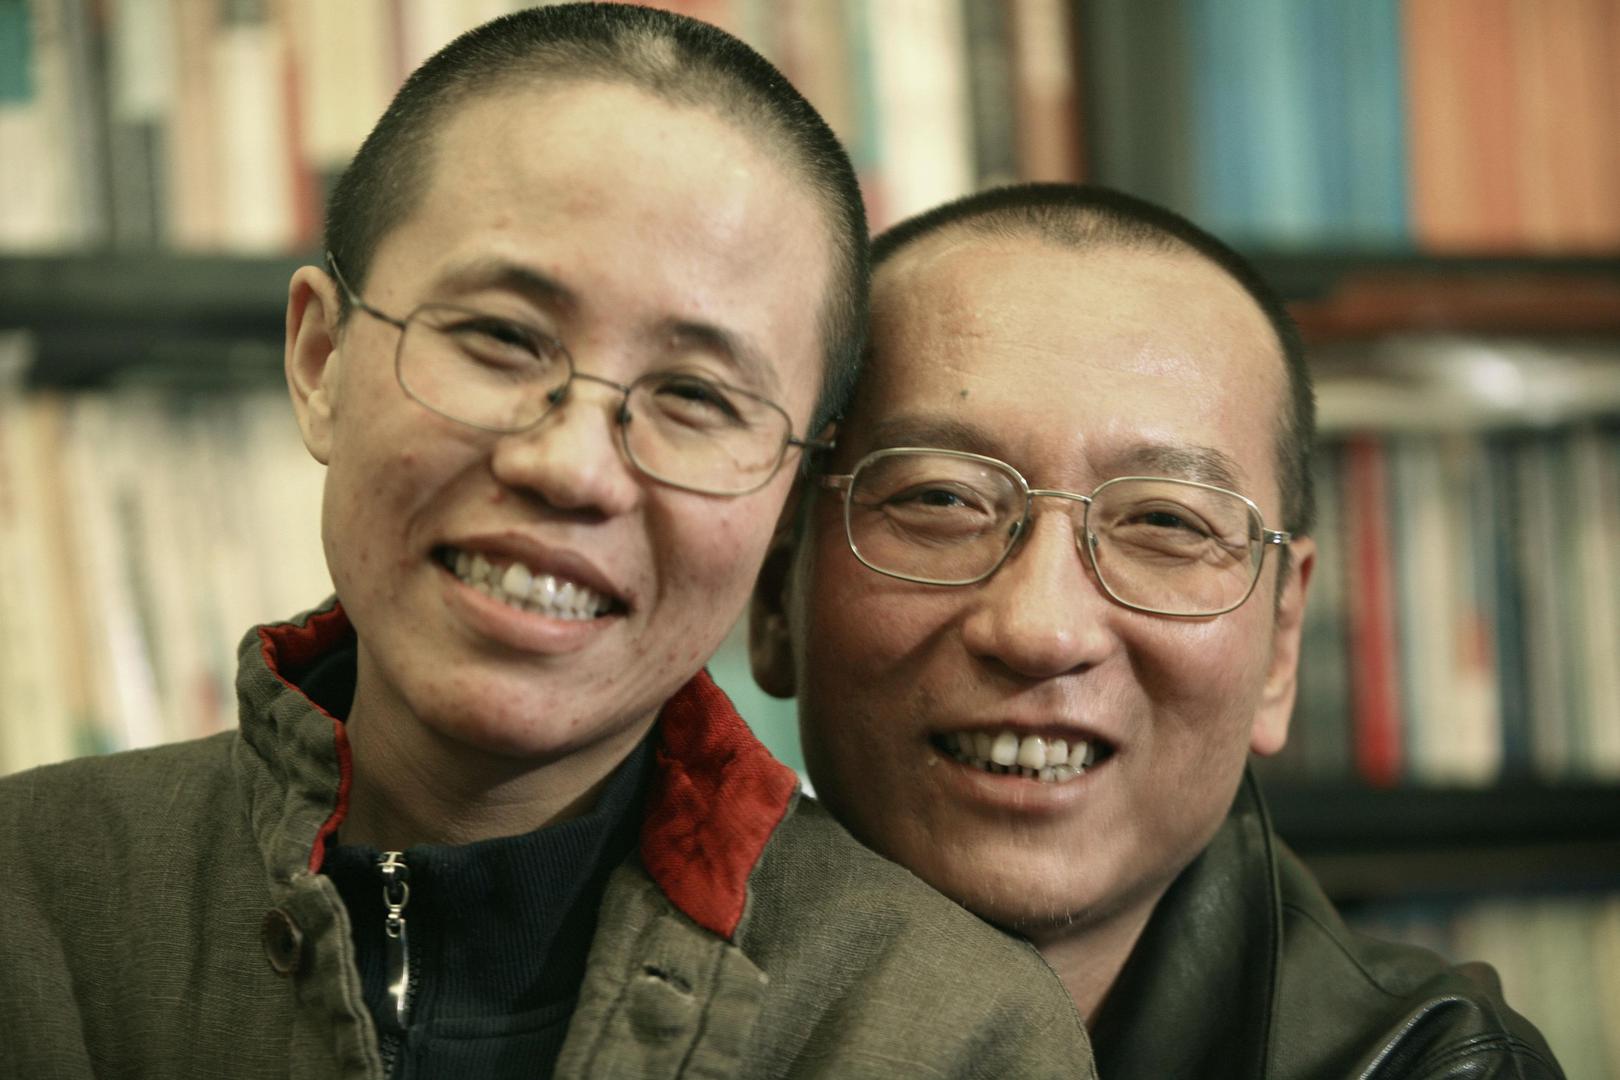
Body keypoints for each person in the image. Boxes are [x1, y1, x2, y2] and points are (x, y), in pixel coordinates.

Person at [0, 10, 1094, 1078]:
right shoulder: (35, 901)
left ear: (788, 510)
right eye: (500, 338)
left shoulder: (940, 1034)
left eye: (699, 397)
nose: (570, 467)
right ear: (322, 358)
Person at [752, 183, 1564, 1078]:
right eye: (941, 499)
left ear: (1281, 643)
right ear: (776, 587)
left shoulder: (1427, 1064)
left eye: (1167, 525)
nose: (1041, 630)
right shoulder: (605, 995)